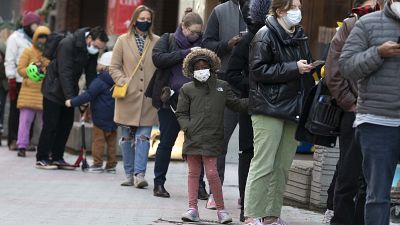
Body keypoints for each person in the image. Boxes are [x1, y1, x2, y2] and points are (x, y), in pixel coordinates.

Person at [243, 0, 315, 224]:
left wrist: (312, 67)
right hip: (268, 107)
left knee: (282, 166)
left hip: (294, 107)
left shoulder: (300, 35)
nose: (298, 11)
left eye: (300, 7)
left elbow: (307, 63)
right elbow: (258, 70)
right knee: (263, 164)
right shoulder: (264, 35)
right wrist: (295, 68)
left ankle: (271, 216)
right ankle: (251, 216)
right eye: (294, 7)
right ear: (280, 10)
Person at [339, 1, 400, 224]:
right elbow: (345, 66)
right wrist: (378, 53)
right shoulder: (367, 23)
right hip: (377, 121)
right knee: (377, 194)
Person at [325, 1, 383, 224]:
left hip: (382, 113)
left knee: (372, 179)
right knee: (348, 174)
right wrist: (350, 103)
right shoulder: (351, 24)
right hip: (355, 111)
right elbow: (333, 70)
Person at [176, 48, 247, 224]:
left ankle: (221, 210)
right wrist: (188, 128)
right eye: (197, 67)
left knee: (212, 173)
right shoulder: (187, 89)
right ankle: (192, 208)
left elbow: (236, 104)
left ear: (212, 67)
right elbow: (181, 113)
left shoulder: (222, 86)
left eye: (204, 66)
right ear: (192, 70)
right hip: (193, 137)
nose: (201, 69)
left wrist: (257, 101)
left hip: (213, 137)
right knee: (193, 173)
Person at [35, 26, 108, 170]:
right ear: (89, 39)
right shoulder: (68, 44)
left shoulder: (90, 51)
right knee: (51, 125)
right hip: (53, 89)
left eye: (100, 49)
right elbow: (64, 72)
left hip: (70, 92)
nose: (96, 50)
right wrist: (72, 98)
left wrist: (87, 97)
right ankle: (42, 157)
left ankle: (57, 157)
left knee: (65, 125)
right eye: (96, 46)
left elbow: (91, 75)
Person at [225, 0, 270, 221]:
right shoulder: (248, 40)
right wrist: (253, 86)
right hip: (251, 104)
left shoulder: (282, 37)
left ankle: (265, 208)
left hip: (275, 107)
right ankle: (246, 207)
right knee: (249, 154)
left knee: (267, 158)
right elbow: (232, 74)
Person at [151, 10, 204, 198]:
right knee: (166, 142)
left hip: (195, 102)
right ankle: (159, 184)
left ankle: (199, 186)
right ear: (184, 27)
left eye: (199, 33)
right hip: (169, 100)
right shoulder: (168, 39)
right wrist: (185, 53)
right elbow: (158, 59)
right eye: (193, 32)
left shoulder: (202, 43)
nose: (196, 36)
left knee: (198, 144)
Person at [202, 0, 247, 208]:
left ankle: (247, 196)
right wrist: (227, 45)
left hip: (252, 84)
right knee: (220, 140)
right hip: (226, 82)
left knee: (251, 146)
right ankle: (215, 192)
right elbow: (207, 44)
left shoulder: (263, 8)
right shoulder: (220, 11)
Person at [110, 5, 158, 188]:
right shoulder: (122, 40)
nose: (144, 22)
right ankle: (129, 174)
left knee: (144, 137)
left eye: (148, 19)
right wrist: (123, 82)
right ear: (135, 19)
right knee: (127, 138)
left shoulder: (157, 41)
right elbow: (114, 67)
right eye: (142, 18)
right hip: (127, 97)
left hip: (147, 98)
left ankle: (140, 174)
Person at [65, 51, 117, 173]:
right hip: (114, 116)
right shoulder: (118, 80)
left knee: (98, 141)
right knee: (112, 142)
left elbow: (88, 95)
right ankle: (111, 165)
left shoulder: (100, 81)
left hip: (100, 117)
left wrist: (72, 102)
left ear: (103, 66)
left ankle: (98, 163)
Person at [4, 12, 41, 151]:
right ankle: (13, 139)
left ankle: (27, 140)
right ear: (27, 25)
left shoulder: (37, 40)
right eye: (34, 25)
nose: (36, 27)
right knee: (15, 111)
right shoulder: (15, 38)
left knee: (30, 110)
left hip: (34, 81)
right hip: (18, 79)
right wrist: (11, 78)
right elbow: (10, 60)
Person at [15, 25, 51, 157]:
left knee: (45, 123)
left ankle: (44, 147)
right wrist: (32, 70)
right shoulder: (27, 51)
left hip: (44, 92)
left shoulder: (49, 55)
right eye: (40, 37)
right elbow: (20, 69)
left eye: (45, 38)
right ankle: (22, 146)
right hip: (29, 91)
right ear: (35, 38)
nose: (42, 40)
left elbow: (52, 71)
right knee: (25, 121)